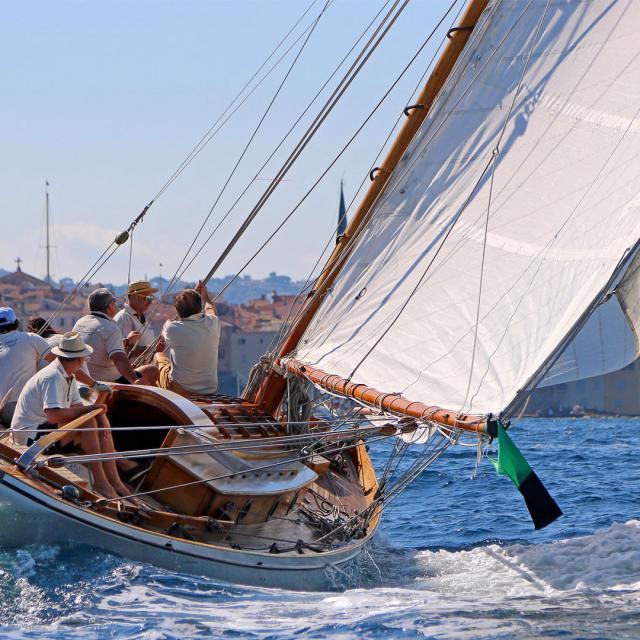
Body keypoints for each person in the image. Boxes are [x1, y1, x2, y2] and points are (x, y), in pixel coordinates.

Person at [10, 332, 136, 501]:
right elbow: (54, 415)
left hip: (43, 431)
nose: (84, 361)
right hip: (29, 438)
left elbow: (77, 408)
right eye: (84, 358)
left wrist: (98, 414)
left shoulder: (67, 375)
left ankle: (114, 481)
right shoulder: (53, 376)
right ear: (78, 359)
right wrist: (93, 410)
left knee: (96, 420)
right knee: (89, 422)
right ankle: (101, 482)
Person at [73, 288, 158, 386]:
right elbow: (118, 357)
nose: (116, 304)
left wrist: (126, 341)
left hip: (82, 378)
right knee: (152, 370)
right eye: (114, 301)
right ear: (110, 306)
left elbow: (101, 345)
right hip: (106, 381)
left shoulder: (80, 323)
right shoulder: (111, 327)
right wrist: (135, 380)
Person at [155, 281, 220, 395]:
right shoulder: (213, 323)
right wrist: (205, 297)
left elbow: (162, 338)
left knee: (157, 356)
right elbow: (211, 310)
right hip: (210, 389)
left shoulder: (171, 327)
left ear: (177, 310)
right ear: (200, 308)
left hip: (182, 389)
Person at [0, 307, 52, 426]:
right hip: (19, 410)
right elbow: (63, 363)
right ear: (17, 323)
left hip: (4, 413)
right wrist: (93, 383)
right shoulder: (30, 338)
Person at [114, 280, 161, 358]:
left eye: (152, 297)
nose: (150, 302)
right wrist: (152, 349)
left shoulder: (140, 315)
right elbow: (123, 350)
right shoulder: (124, 318)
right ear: (134, 297)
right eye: (147, 298)